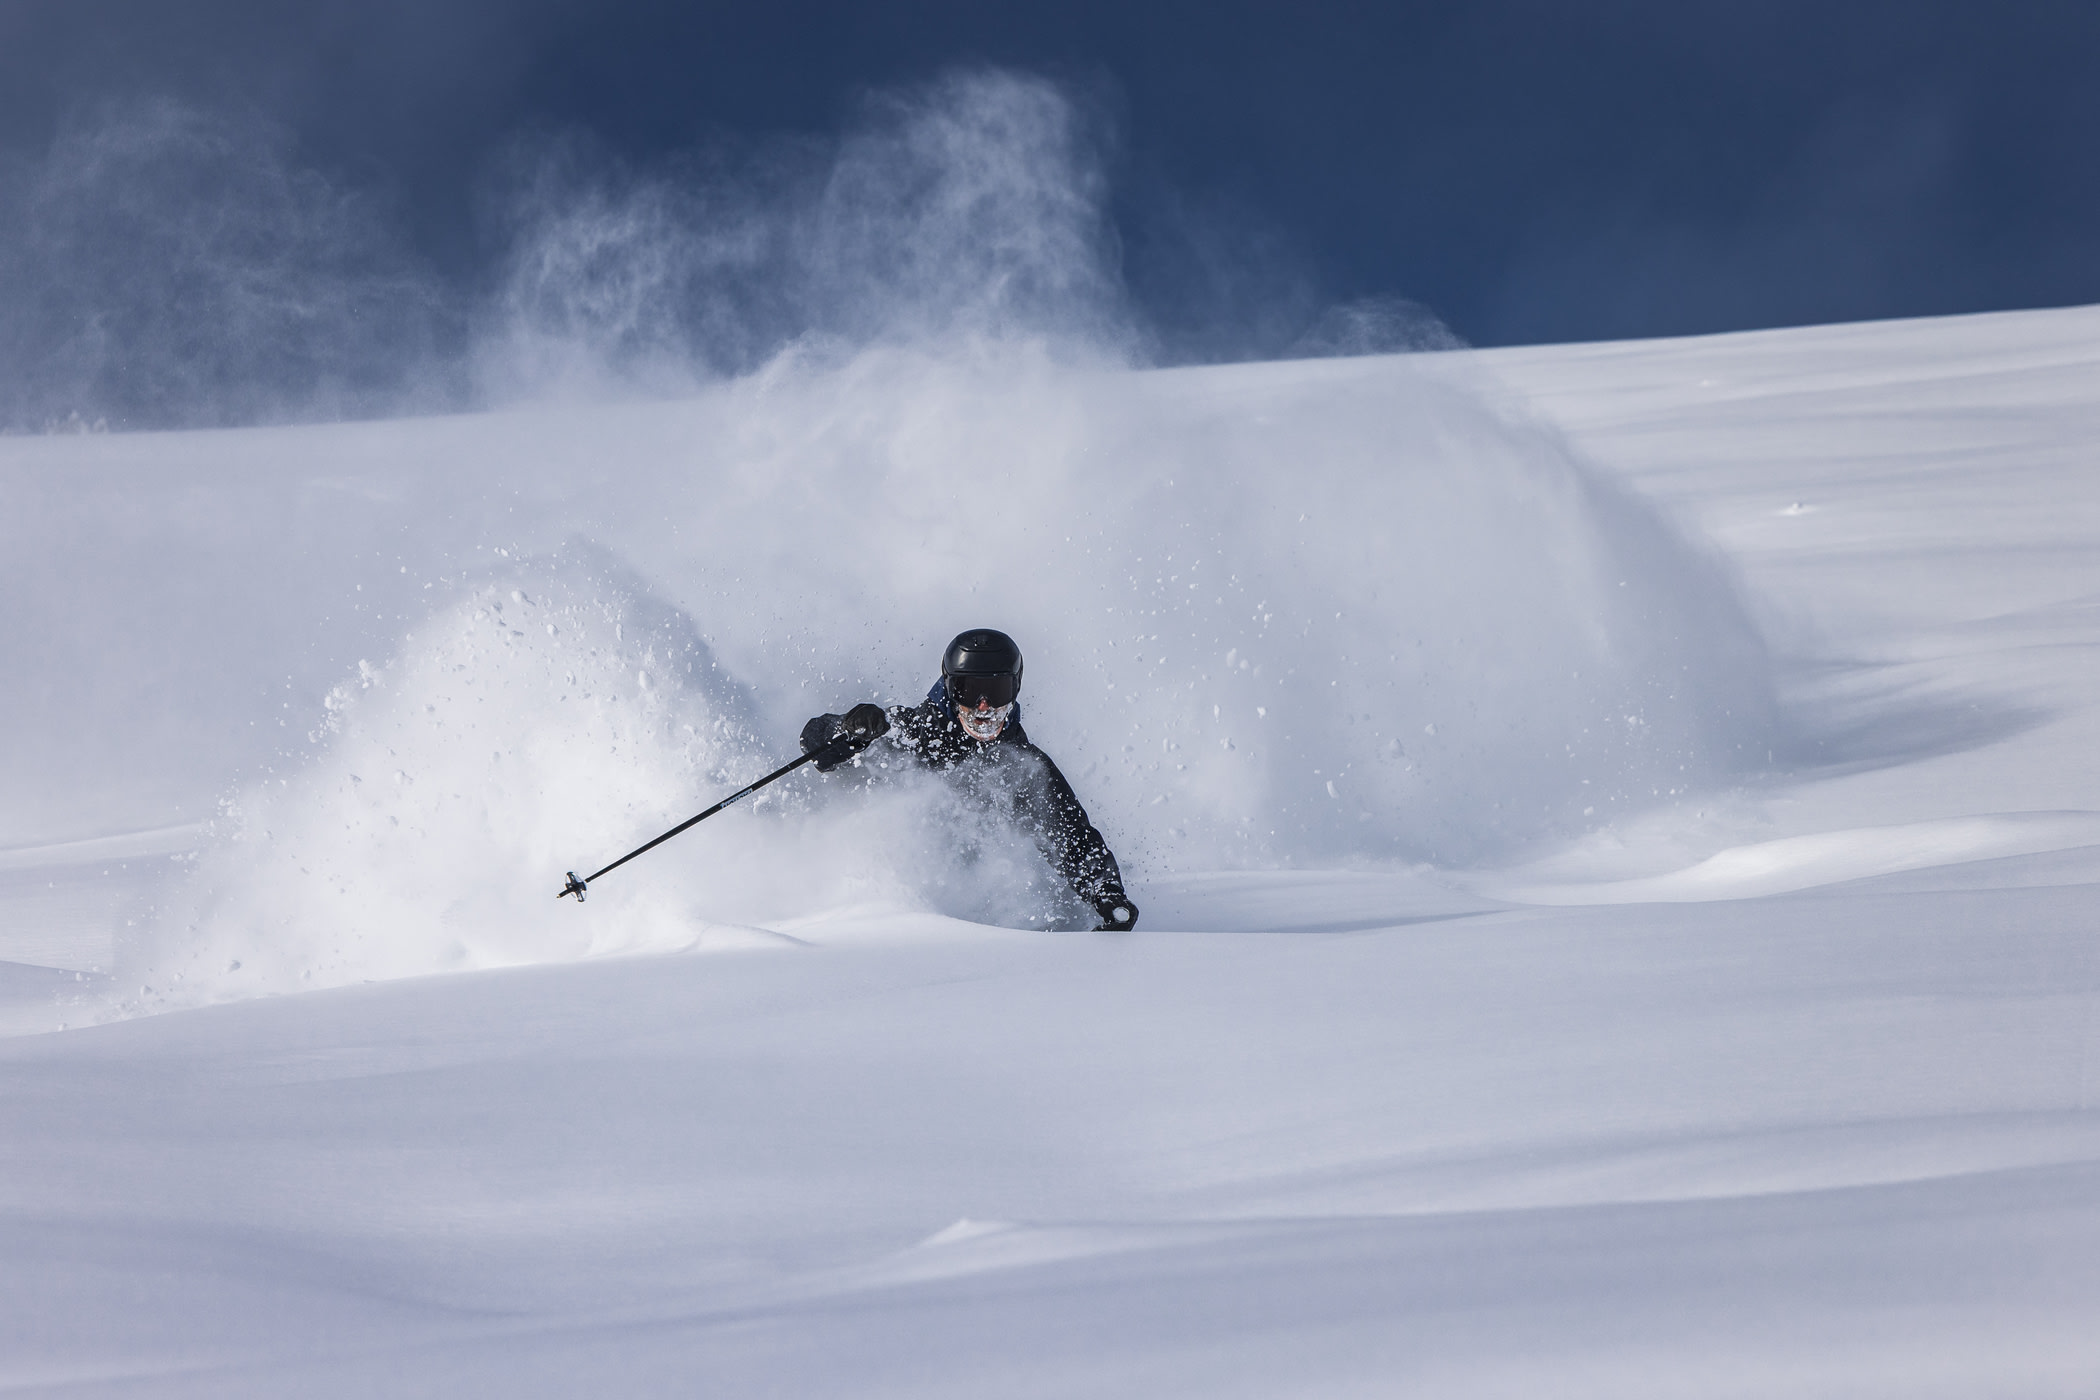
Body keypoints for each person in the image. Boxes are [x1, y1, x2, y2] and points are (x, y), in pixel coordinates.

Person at [800, 628, 1138, 931]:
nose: (983, 706)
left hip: (985, 922)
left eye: (996, 690)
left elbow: (1072, 837)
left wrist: (1106, 894)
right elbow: (816, 747)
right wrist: (848, 728)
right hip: (884, 910)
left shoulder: (1023, 769)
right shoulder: (914, 734)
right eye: (969, 690)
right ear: (949, 687)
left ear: (1015, 688)